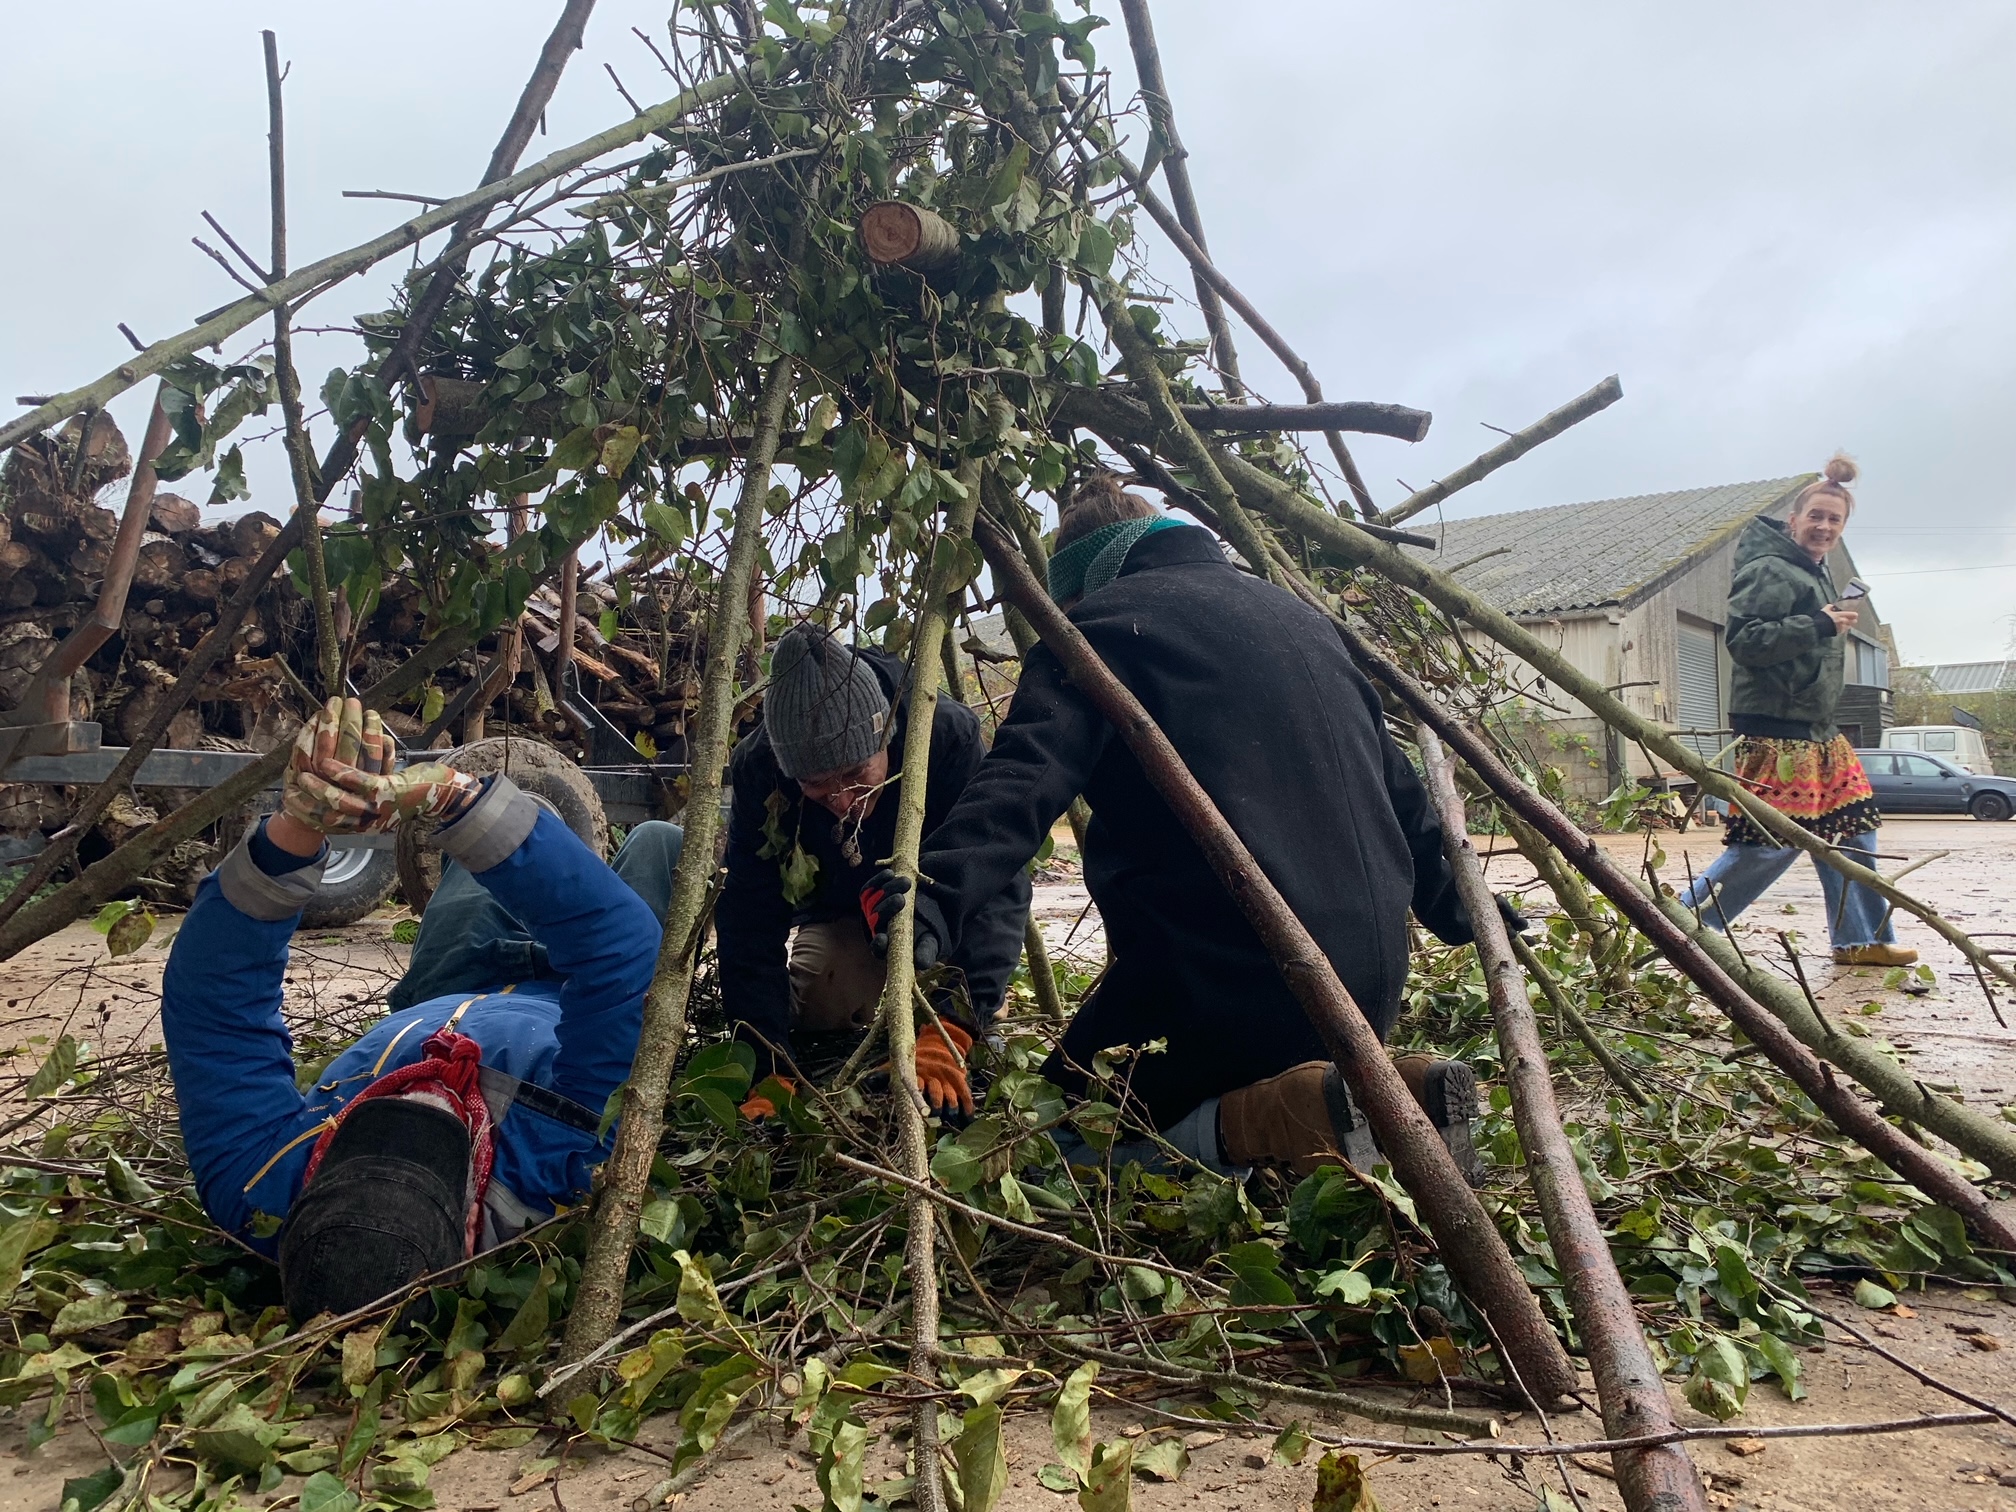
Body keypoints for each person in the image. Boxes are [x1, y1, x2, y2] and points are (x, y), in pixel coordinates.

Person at [861, 475, 1493, 1182]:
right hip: (1368, 991)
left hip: (1224, 988)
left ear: (1075, 590)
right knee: (1163, 1089)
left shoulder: (1094, 635)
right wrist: (1465, 910)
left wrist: (930, 894)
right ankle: (1359, 1098)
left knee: (1043, 1144)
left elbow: (1020, 783)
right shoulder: (1307, 625)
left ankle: (1272, 1118)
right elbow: (1405, 796)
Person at [161, 698, 681, 1321]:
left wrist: (300, 824)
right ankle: (563, 852)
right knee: (659, 848)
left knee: (483, 849)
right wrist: (457, 796)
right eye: (435, 1140)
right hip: (571, 1002)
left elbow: (214, 1004)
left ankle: (532, 846)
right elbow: (620, 953)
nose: (421, 1096)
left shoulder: (259, 1189)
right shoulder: (556, 1178)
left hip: (450, 981)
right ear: (467, 1235)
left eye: (370, 1130)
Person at [715, 623, 1031, 1117]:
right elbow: (748, 918)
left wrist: (951, 1026)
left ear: (887, 735)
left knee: (963, 994)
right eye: (818, 786)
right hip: (843, 912)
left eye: (856, 774)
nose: (843, 801)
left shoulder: (941, 734)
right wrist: (766, 1062)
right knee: (821, 997)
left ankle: (971, 1006)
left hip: (939, 908)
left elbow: (996, 877)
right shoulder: (762, 769)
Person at [1678, 458, 1916, 967]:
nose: (1824, 526)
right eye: (1816, 516)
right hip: (1776, 733)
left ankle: (1861, 938)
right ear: (1794, 518)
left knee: (1853, 830)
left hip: (1819, 730)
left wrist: (1823, 624)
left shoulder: (1818, 572)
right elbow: (1745, 641)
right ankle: (1678, 926)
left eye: (1835, 520)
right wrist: (1817, 625)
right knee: (1770, 844)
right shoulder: (1769, 569)